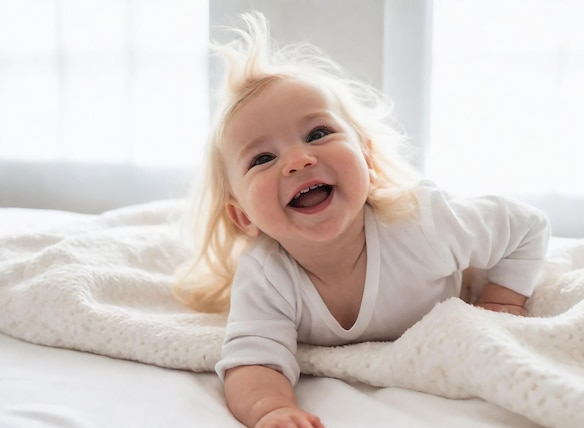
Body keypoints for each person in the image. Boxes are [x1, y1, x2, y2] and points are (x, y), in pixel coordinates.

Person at [174, 12, 551, 428]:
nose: (299, 160)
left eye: (317, 133)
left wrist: (502, 300)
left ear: (367, 160)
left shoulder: (423, 225)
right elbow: (253, 360)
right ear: (243, 216)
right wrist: (272, 410)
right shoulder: (266, 275)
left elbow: (526, 226)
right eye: (263, 158)